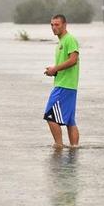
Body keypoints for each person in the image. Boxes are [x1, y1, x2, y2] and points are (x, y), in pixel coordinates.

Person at [43, 14, 80, 148]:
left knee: (50, 116)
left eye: (57, 24)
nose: (54, 27)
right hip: (67, 85)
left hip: (64, 86)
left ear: (65, 25)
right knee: (70, 121)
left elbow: (73, 60)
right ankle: (74, 149)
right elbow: (66, 64)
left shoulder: (69, 39)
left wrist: (55, 69)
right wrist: (54, 71)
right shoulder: (61, 42)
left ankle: (58, 146)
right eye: (52, 25)